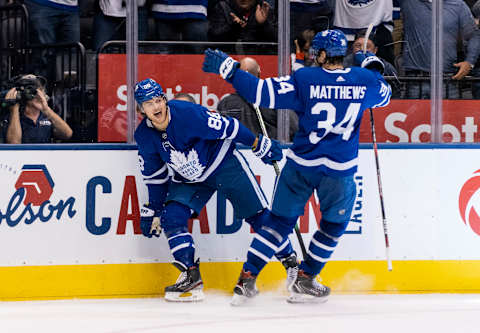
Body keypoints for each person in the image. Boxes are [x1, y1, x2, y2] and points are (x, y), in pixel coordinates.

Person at [202, 29, 392, 304]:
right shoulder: (363, 80)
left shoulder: (305, 78)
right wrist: (372, 67)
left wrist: (229, 69)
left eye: (317, 51)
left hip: (301, 165)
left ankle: (247, 279)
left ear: (324, 54)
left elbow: (260, 93)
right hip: (339, 172)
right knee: (333, 225)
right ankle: (306, 279)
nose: (313, 56)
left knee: (278, 223)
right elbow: (385, 93)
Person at [134, 78, 299, 302]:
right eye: (149, 103)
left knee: (260, 219)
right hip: (191, 178)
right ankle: (191, 275)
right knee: (171, 217)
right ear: (140, 109)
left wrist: (257, 143)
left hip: (223, 165)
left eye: (159, 100)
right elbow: (155, 176)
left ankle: (293, 265)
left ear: (165, 100)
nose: (156, 107)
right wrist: (154, 208)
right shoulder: (144, 135)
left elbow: (230, 126)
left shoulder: (188, 113)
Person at [399, 0, 480, 99]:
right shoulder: (409, 2)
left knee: (451, 115)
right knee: (415, 115)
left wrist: (469, 63)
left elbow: (473, 35)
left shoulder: (458, 5)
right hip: (415, 79)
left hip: (448, 79)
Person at [218, 57, 298, 140]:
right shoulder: (275, 100)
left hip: (236, 151)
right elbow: (294, 128)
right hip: (270, 149)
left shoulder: (224, 103)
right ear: (259, 74)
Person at [3, 74, 73, 143]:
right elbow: (14, 145)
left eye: (41, 89)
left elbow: (67, 134)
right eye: (32, 89)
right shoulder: (12, 117)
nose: (38, 93)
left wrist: (46, 109)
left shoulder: (48, 116)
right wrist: (14, 108)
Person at [208, 0, 277, 54]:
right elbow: (214, 37)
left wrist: (263, 24)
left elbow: (277, 39)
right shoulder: (222, 7)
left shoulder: (264, 9)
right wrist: (234, 27)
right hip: (229, 58)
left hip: (259, 57)